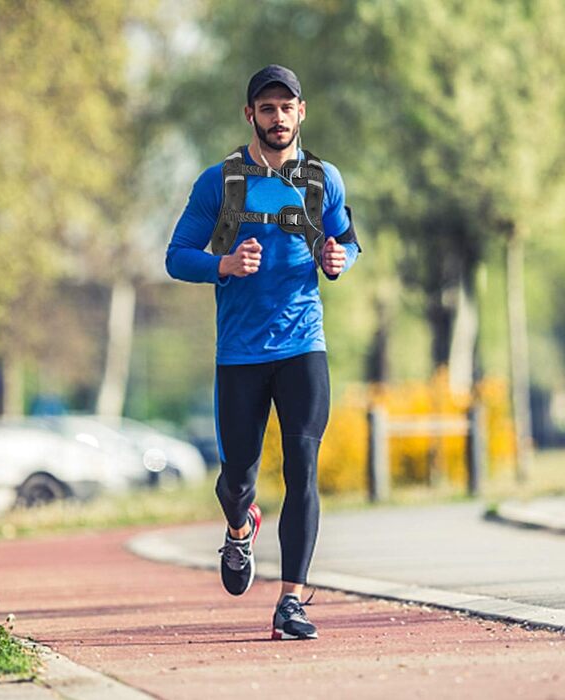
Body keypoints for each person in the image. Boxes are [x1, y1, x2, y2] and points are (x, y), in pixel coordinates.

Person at [165, 65, 360, 640]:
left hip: (304, 345)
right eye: (267, 108)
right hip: (241, 355)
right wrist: (221, 265)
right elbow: (176, 256)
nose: (278, 118)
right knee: (237, 481)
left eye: (287, 107)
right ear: (250, 115)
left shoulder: (323, 179)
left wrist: (339, 261)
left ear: (303, 112)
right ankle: (240, 525)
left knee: (303, 469)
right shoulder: (220, 184)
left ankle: (292, 600)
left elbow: (346, 240)